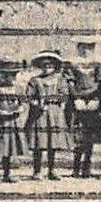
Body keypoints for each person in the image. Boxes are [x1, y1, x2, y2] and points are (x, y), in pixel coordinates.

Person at [66, 38, 101, 179]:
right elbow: (70, 83)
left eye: (90, 47)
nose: (86, 50)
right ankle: (76, 167)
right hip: (77, 101)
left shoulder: (98, 65)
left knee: (90, 135)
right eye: (83, 47)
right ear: (78, 48)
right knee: (78, 134)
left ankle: (87, 167)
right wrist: (76, 97)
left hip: (94, 101)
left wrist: (97, 98)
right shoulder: (72, 64)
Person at [26, 50, 72, 180]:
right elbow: (29, 97)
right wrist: (38, 104)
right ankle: (37, 171)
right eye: (45, 66)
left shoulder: (60, 80)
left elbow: (64, 95)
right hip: (39, 114)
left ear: (55, 67)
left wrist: (58, 100)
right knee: (39, 143)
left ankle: (52, 170)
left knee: (53, 143)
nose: (47, 69)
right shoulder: (35, 80)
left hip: (55, 113)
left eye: (50, 66)